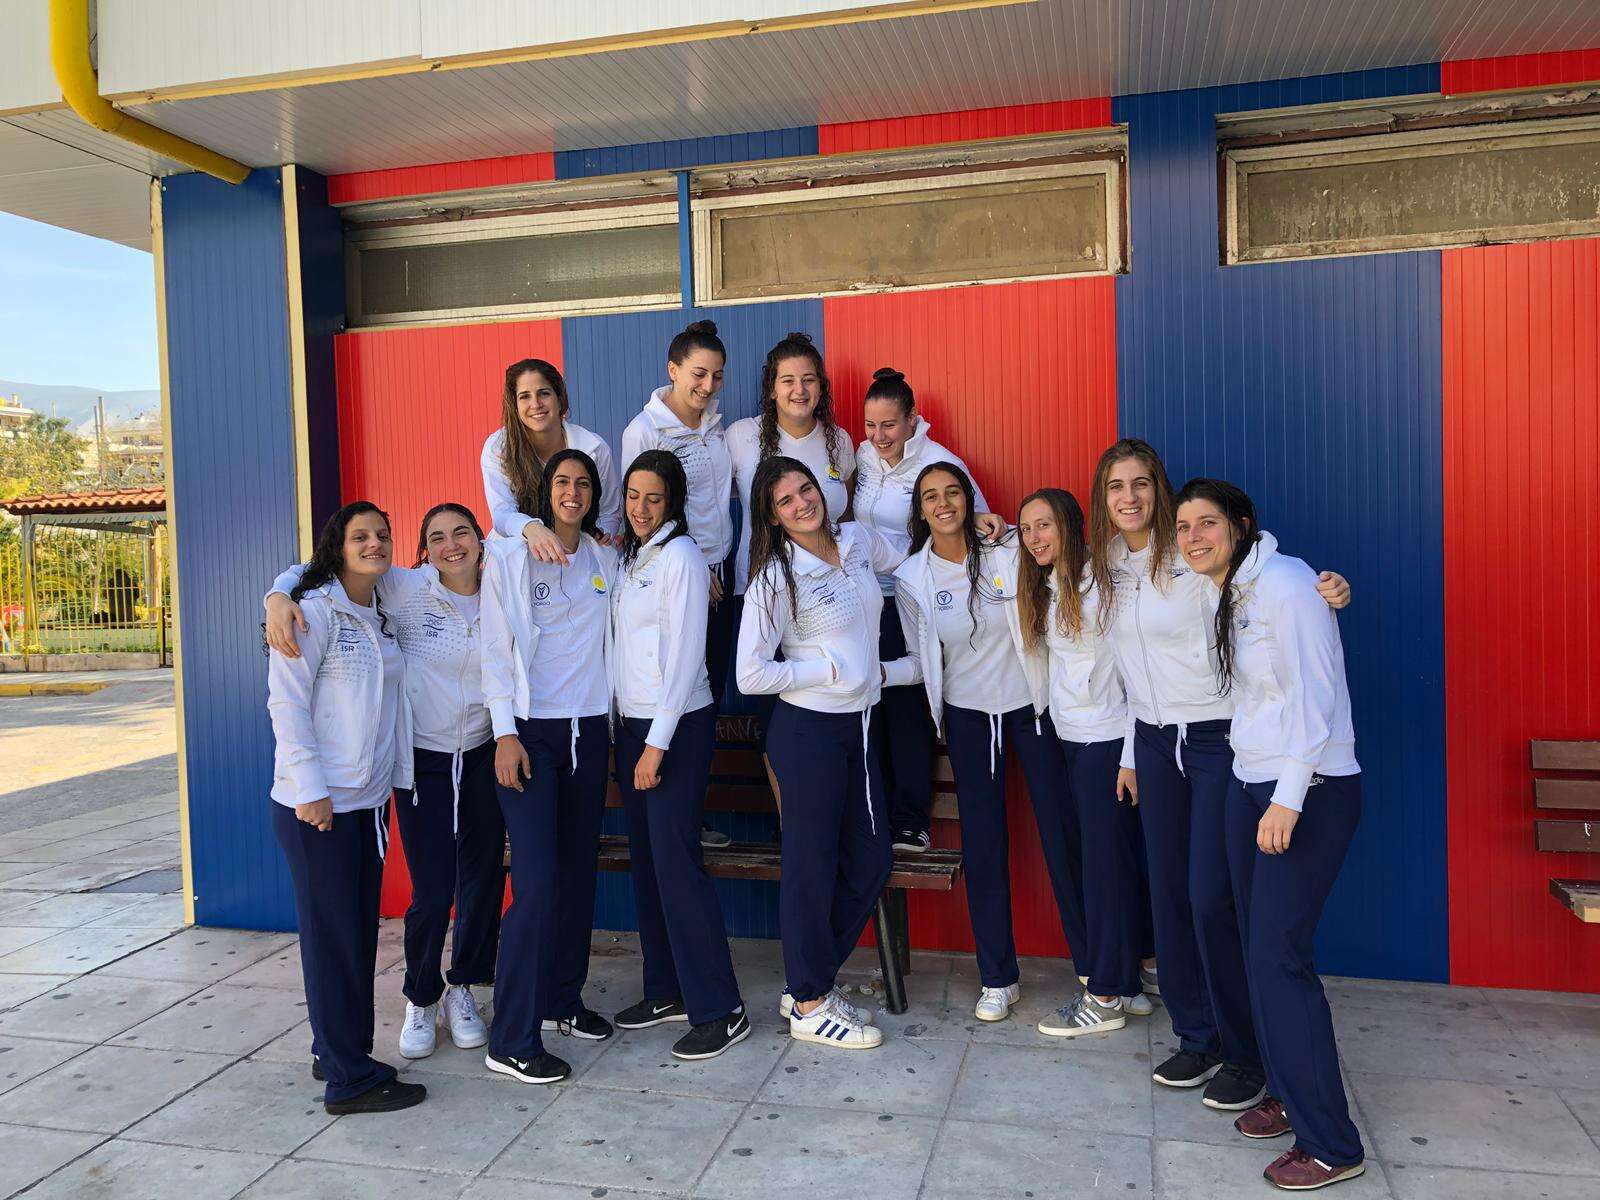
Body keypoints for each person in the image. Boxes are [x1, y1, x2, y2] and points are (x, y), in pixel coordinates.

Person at [1089, 438, 1349, 1112]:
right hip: (1153, 742)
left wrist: (1326, 591)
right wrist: (1130, 753)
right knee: (1170, 895)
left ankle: (1245, 1051)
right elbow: (1124, 667)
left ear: (1159, 488)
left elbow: (1262, 581)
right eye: (1115, 486)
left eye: (1140, 484)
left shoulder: (1193, 553)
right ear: (1102, 498)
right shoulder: (1107, 565)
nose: (1129, 498)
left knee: (1211, 898)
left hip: (1214, 739)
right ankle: (1197, 1036)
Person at [1174, 478, 1365, 1191]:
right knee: (1252, 948)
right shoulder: (1227, 589)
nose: (1193, 537)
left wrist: (1287, 800)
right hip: (1250, 778)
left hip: (1308, 789)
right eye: (1184, 527)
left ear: (1241, 525)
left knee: (1279, 958)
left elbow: (1317, 694)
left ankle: (1332, 1144)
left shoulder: (1288, 586)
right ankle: (1286, 1091)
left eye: (1207, 523)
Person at [264, 504, 503, 1063]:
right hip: (421, 762)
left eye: (462, 533)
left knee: (483, 880)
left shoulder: (502, 589)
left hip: (484, 752)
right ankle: (422, 994)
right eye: (437, 537)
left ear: (480, 541)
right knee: (434, 889)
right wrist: (277, 594)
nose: (451, 545)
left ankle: (462, 986)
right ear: (423, 550)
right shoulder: (405, 587)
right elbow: (319, 567)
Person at [893, 464, 1083, 1024]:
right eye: (931, 496)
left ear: (968, 498)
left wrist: (996, 526)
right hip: (969, 719)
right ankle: (998, 978)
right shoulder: (911, 578)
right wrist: (868, 674)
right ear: (920, 510)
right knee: (984, 847)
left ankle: (1097, 970)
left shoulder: (1008, 550)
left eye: (952, 492)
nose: (943, 503)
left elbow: (1060, 573)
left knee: (1062, 835)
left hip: (1032, 709)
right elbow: (920, 661)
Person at [736, 456, 911, 1049]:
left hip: (859, 729)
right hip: (807, 731)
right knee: (810, 865)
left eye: (805, 489)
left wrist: (985, 533)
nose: (801, 503)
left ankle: (804, 981)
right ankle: (810, 1003)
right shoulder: (775, 578)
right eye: (785, 501)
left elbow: (914, 557)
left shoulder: (858, 542)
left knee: (871, 859)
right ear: (773, 517)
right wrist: (829, 669)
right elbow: (751, 674)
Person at [265, 501, 426, 1115]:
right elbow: (287, 703)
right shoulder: (312, 612)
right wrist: (309, 789)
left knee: (355, 936)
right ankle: (349, 1079)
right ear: (338, 547)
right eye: (360, 536)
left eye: (382, 535)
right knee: (333, 941)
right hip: (319, 806)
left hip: (366, 802)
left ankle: (336, 1050)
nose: (374, 544)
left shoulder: (379, 608)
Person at [480, 448, 616, 1084]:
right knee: (535, 885)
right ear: (545, 490)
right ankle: (511, 1036)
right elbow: (495, 649)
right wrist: (505, 733)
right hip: (530, 736)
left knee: (576, 875)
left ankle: (564, 999)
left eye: (583, 483)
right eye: (562, 481)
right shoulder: (510, 556)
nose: (573, 492)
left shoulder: (604, 559)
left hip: (588, 731)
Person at [609, 449, 750, 1060]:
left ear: (673, 502)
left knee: (677, 864)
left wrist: (656, 745)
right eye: (633, 496)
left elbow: (691, 654)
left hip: (676, 727)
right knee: (648, 864)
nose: (641, 508)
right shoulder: (631, 557)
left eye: (654, 498)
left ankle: (721, 1008)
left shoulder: (683, 557)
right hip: (632, 725)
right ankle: (665, 989)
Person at [1015, 488, 1151, 1035]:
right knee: (1098, 863)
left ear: (1070, 526)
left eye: (1044, 525)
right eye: (1026, 529)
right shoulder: (1047, 587)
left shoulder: (1105, 587)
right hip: (1067, 739)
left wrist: (1131, 755)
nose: (1034, 538)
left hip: (1108, 742)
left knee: (1105, 868)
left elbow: (1138, 676)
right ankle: (1126, 983)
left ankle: (1106, 994)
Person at [852, 367, 998, 855]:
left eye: (889, 425)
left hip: (911, 599)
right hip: (866, 601)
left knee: (905, 713)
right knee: (869, 708)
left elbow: (976, 522)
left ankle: (911, 821)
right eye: (870, 425)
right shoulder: (864, 456)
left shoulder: (939, 463)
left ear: (913, 419)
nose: (878, 436)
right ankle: (873, 817)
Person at [620, 320, 734, 703]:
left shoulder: (714, 426)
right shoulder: (645, 431)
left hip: (722, 569)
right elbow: (640, 515)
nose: (708, 385)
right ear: (673, 370)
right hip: (679, 571)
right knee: (680, 680)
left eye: (717, 376)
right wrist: (694, 564)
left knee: (712, 680)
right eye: (699, 374)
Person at [481, 357, 623, 556]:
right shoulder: (499, 447)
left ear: (559, 398)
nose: (535, 404)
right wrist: (532, 528)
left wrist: (599, 536)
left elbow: (609, 512)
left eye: (544, 393)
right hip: (515, 553)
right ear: (515, 404)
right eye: (525, 396)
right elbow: (502, 512)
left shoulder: (594, 448)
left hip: (575, 552)